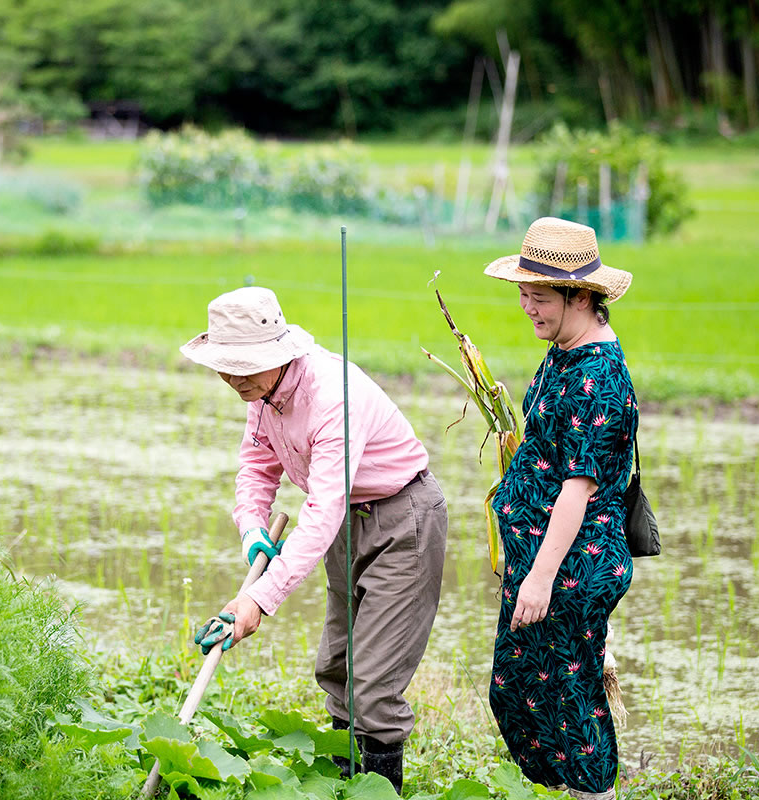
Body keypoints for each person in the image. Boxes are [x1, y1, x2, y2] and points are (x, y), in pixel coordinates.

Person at [180, 286, 447, 793]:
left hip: (402, 520)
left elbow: (321, 511)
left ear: (277, 354)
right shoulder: (261, 395)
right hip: (347, 521)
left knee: (373, 683)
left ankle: (379, 789)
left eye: (244, 365)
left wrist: (258, 598)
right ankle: (343, 785)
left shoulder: (330, 396)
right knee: (338, 666)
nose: (232, 378)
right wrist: (254, 535)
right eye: (225, 365)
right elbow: (257, 471)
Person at [481, 217, 638, 800]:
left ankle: (595, 794)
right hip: (542, 563)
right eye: (522, 293)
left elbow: (578, 488)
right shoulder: (563, 352)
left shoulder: (598, 375)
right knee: (515, 689)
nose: (527, 307)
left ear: (581, 297)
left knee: (570, 706)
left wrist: (541, 576)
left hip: (572, 568)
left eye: (539, 297)